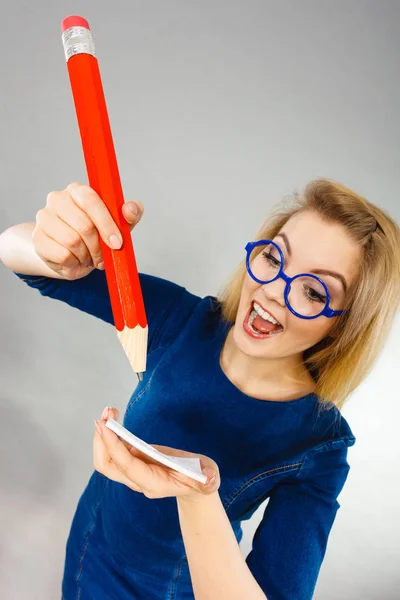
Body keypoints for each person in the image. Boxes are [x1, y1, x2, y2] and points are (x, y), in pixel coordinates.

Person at [1, 178, 399, 600]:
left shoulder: (319, 445)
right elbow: (19, 257)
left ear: (344, 325)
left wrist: (198, 496)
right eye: (273, 256)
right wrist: (55, 249)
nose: (273, 290)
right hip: (88, 555)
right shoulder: (185, 320)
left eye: (313, 291)